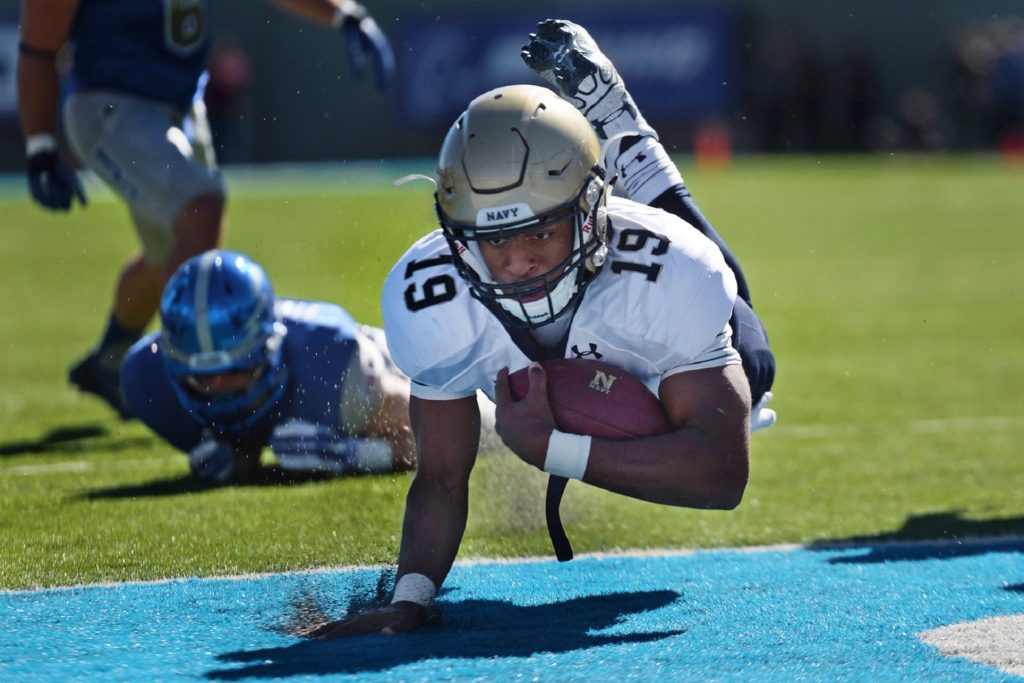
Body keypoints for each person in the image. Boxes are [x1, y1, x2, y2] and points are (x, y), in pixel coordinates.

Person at [302, 19, 777, 637]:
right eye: (493, 239)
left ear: (588, 213)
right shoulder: (430, 299)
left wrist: (553, 449)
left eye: (540, 232)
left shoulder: (671, 273)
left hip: (643, 278)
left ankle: (624, 135)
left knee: (752, 356)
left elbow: (721, 475)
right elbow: (441, 475)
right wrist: (409, 599)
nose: (517, 261)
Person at [17, 0, 395, 419]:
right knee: (200, 211)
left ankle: (110, 360)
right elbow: (38, 46)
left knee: (167, 251)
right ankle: (187, 396)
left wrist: (343, 13)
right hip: (111, 103)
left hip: (180, 107)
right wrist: (40, 146)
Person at [120, 249, 416, 482]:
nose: (219, 389)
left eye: (236, 370)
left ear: (269, 347)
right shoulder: (147, 377)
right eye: (202, 378)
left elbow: (429, 436)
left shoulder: (332, 364)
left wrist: (353, 454)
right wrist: (238, 455)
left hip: (399, 361)